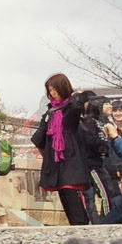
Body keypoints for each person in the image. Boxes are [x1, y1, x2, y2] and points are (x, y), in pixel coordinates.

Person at [32, 73, 94, 225]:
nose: (53, 93)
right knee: (62, 192)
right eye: (50, 90)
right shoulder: (50, 110)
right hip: (54, 156)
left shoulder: (71, 107)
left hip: (70, 154)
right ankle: (74, 224)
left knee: (70, 189)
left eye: (55, 89)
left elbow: (80, 102)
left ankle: (81, 223)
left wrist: (76, 95)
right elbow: (40, 136)